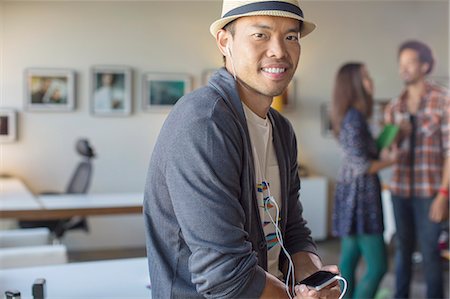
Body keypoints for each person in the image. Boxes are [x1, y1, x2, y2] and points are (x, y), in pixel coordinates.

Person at [143, 0, 341, 298]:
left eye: (291, 37)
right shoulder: (204, 121)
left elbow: (293, 230)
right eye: (260, 35)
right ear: (225, 42)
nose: (279, 50)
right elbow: (224, 275)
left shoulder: (281, 129)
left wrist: (313, 274)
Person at [384, 40, 450, 298]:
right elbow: (387, 154)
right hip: (400, 191)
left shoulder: (443, 101)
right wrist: (396, 137)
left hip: (430, 193)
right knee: (402, 252)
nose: (404, 69)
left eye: (410, 62)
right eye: (401, 64)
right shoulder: (394, 106)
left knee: (431, 254)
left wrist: (443, 195)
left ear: (425, 65)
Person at [330, 63, 397, 299]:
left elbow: (366, 154)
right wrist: (393, 160)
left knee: (349, 257)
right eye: (366, 78)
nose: (371, 82)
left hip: (352, 193)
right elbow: (362, 165)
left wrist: (391, 134)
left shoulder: (353, 116)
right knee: (378, 267)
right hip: (360, 197)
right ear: (354, 85)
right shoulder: (354, 118)